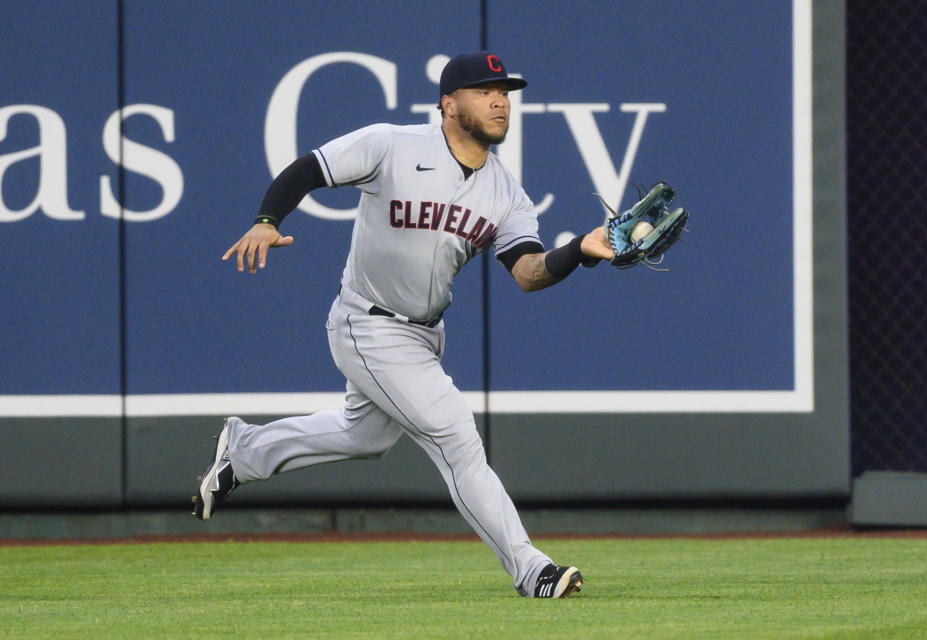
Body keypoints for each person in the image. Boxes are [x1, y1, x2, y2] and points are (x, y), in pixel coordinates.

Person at [193, 50, 614, 599]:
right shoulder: (392, 144)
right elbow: (309, 169)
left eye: (504, 92)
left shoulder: (507, 194)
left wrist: (580, 250)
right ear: (447, 104)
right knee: (456, 436)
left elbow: (529, 273)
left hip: (422, 334)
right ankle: (532, 569)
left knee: (362, 435)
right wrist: (267, 221)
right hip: (366, 323)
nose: (499, 101)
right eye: (485, 90)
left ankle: (245, 451)